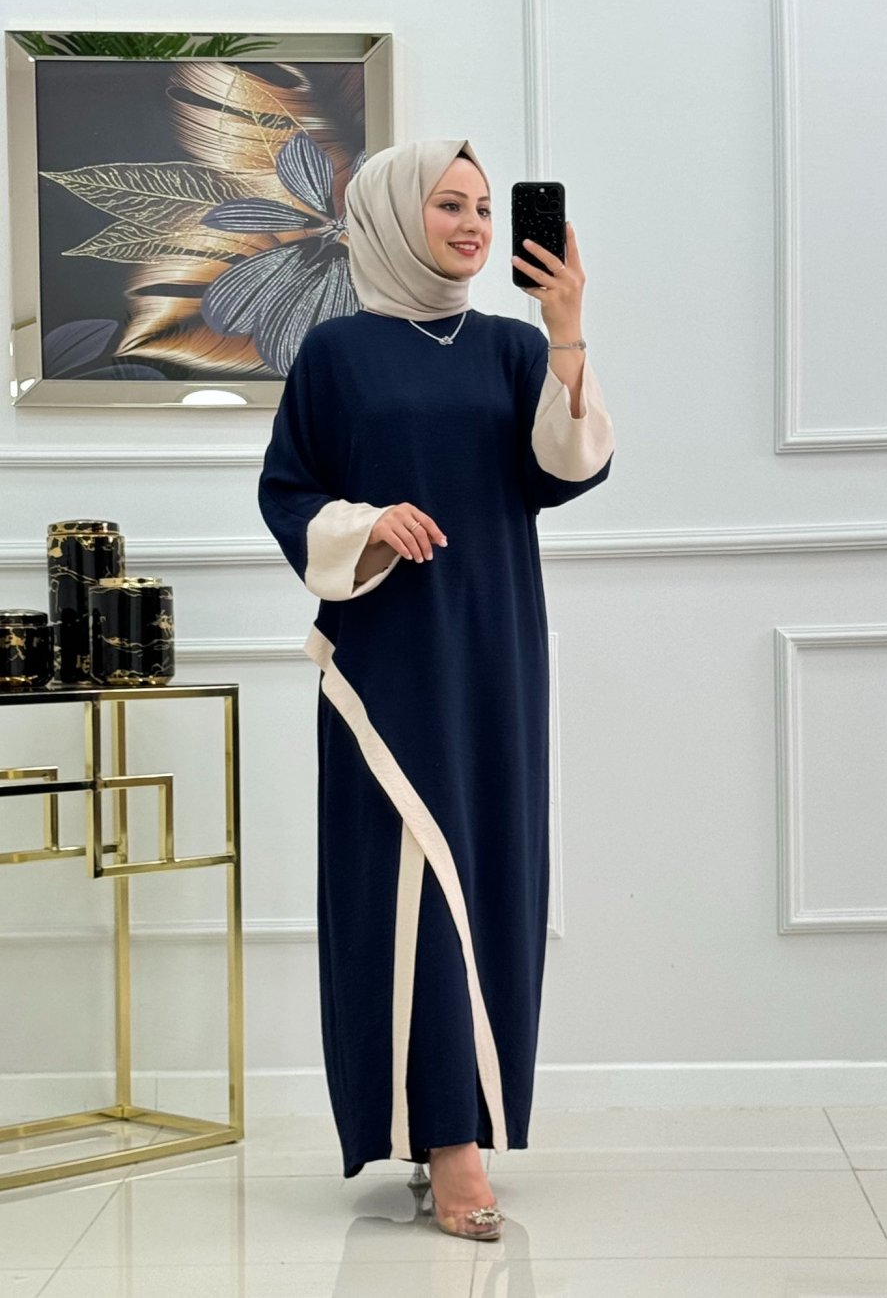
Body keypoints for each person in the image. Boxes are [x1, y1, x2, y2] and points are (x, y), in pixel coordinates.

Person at [257, 138, 615, 1241]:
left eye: (482, 207)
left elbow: (563, 468)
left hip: (496, 643)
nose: (472, 225)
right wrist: (370, 525)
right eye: (448, 204)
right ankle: (447, 1141)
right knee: (407, 876)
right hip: (388, 655)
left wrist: (566, 332)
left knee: (488, 872)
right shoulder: (337, 353)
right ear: (389, 216)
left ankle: (457, 1117)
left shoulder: (512, 346)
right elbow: (288, 493)